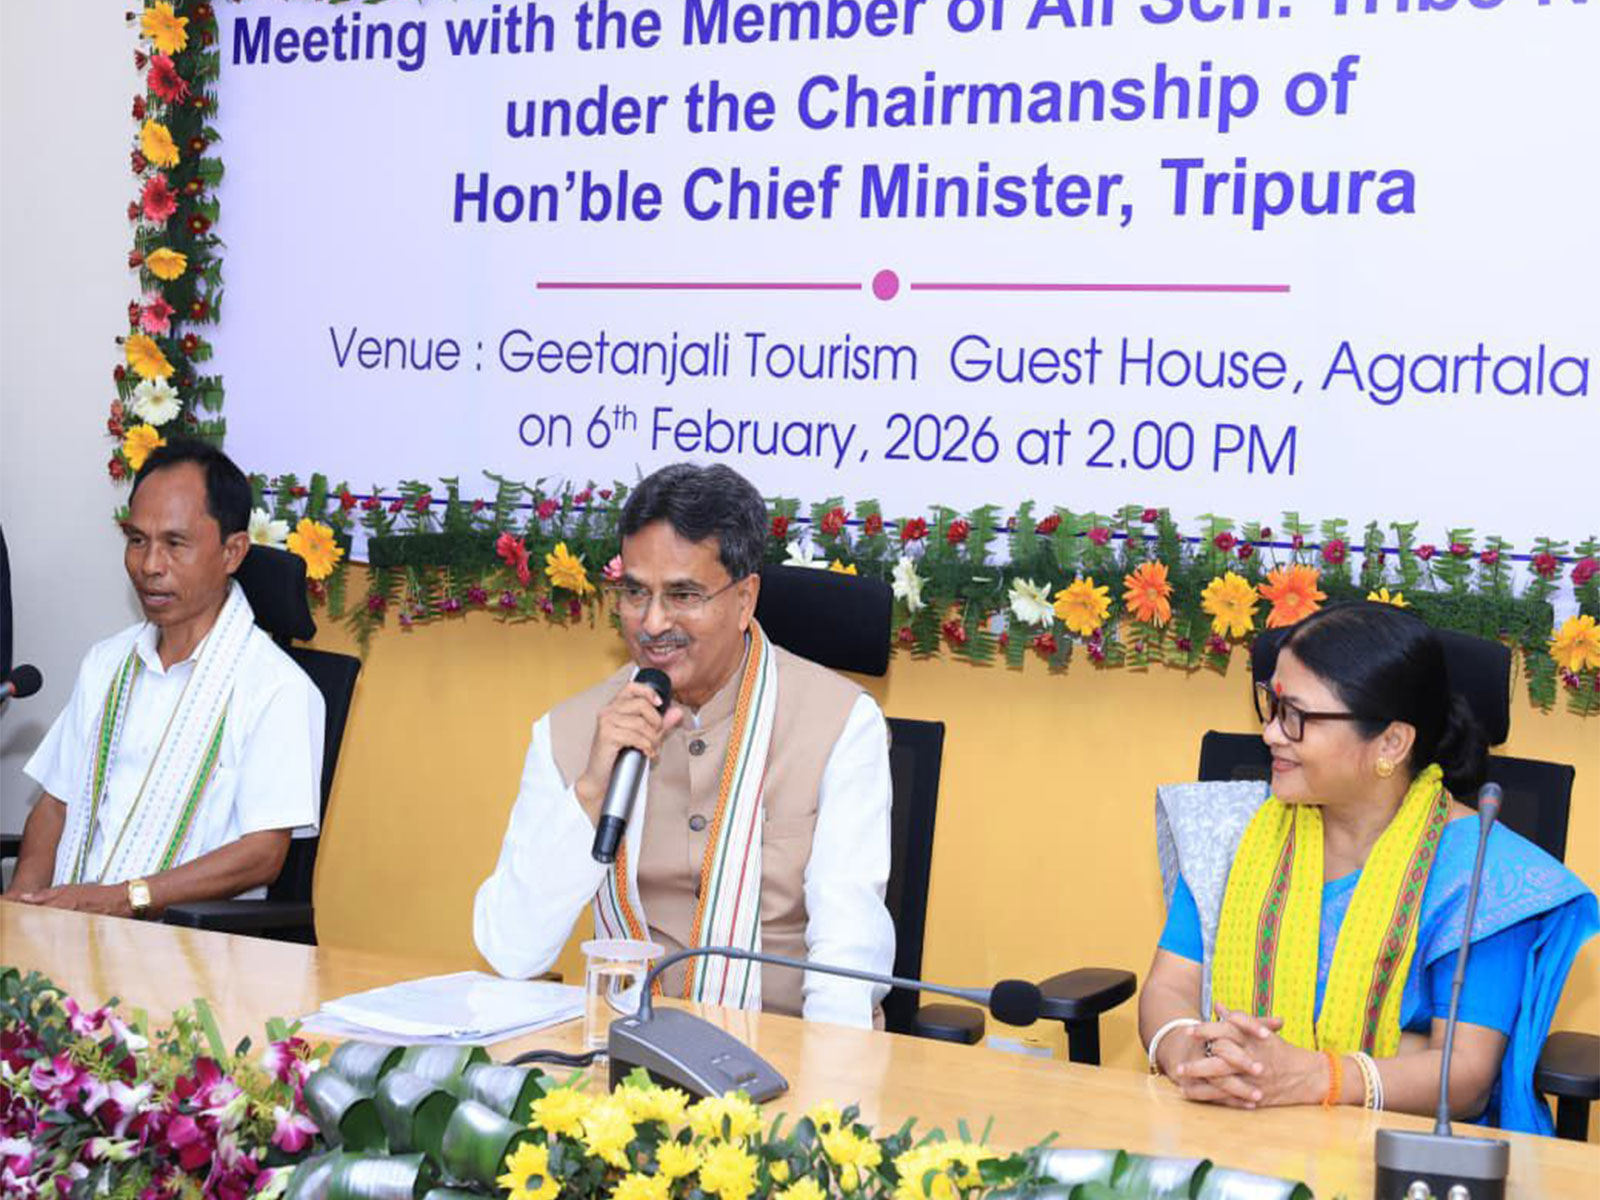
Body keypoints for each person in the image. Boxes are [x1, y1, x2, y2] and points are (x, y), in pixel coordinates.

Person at [1140, 602, 1597, 1135]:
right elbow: (1169, 989)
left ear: (1392, 743)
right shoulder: (1233, 831)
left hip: (1404, 1157)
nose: (1270, 733)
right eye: (1271, 704)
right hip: (1229, 1132)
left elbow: (1464, 1076)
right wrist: (1187, 1052)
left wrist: (1317, 1077)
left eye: (1297, 716)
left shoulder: (1484, 875)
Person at [474, 463, 895, 1027]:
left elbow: (845, 967)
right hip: (623, 1056)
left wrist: (822, 1098)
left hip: (788, 1053)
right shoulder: (569, 731)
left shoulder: (843, 724)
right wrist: (592, 787)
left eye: (683, 595)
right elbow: (511, 951)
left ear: (745, 600)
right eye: (635, 593)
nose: (651, 623)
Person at [4, 440, 324, 918]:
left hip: (193, 949)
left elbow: (262, 856)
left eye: (174, 544)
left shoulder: (276, 688)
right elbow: (54, 805)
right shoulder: (106, 663)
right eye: (137, 540)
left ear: (233, 551)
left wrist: (122, 898)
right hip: (70, 930)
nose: (150, 565)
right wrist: (21, 910)